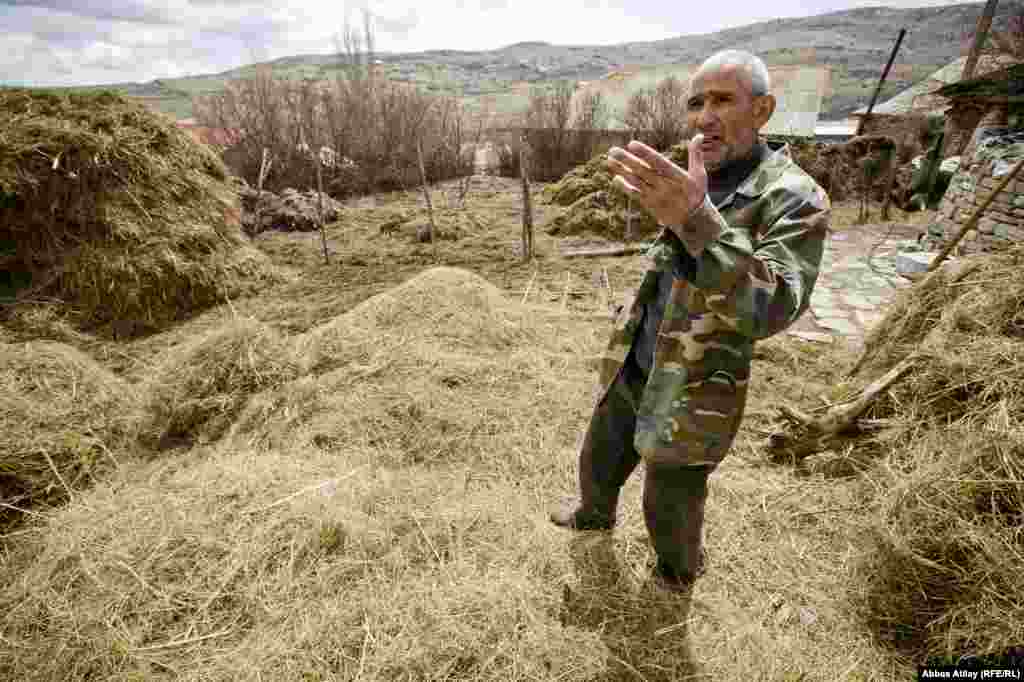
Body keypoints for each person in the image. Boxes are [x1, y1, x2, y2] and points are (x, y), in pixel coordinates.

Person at [549, 50, 831, 589]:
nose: (704, 117)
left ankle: (677, 572)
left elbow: (775, 306)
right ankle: (593, 513)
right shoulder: (695, 173)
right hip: (637, 352)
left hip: (697, 379)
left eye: (722, 100)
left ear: (763, 110)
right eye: (696, 103)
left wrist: (697, 222)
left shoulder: (794, 196)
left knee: (670, 493)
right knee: (602, 449)